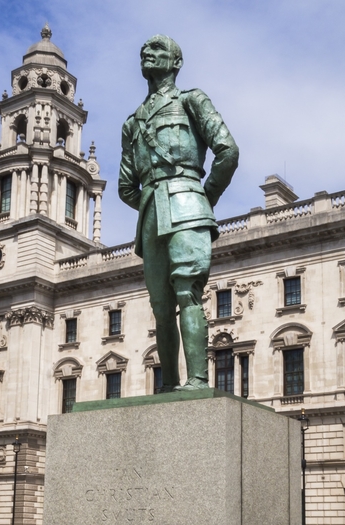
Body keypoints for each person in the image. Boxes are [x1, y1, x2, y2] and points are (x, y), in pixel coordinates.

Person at [119, 34, 239, 391]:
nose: (147, 54)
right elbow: (127, 186)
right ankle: (169, 385)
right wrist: (151, 202)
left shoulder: (192, 100)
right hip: (152, 214)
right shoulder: (133, 123)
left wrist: (204, 198)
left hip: (188, 203)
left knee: (187, 291)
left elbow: (227, 152)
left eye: (157, 50)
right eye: (144, 51)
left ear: (176, 62)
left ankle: (198, 380)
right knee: (160, 307)